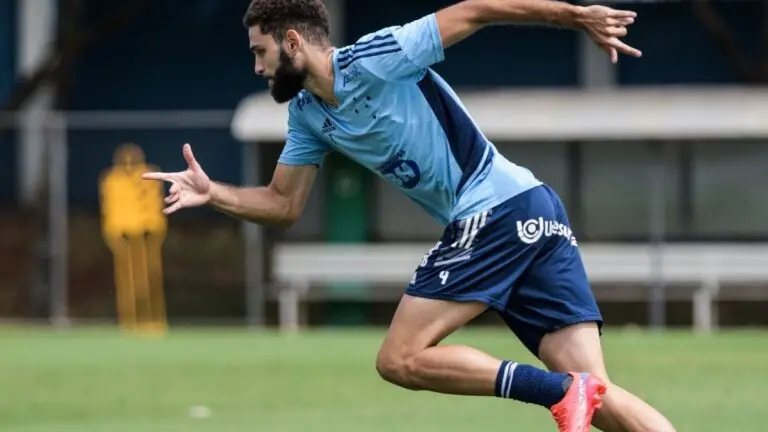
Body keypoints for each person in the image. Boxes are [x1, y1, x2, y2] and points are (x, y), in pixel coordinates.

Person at [143, 1, 676, 431]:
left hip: (495, 210)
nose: (257, 67)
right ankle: (572, 392)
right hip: (533, 209)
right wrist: (212, 192)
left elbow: (475, 11)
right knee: (599, 398)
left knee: (399, 358)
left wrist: (574, 15)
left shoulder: (375, 58)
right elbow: (282, 205)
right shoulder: (307, 115)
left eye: (260, 52)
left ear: (293, 42)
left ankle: (557, 391)